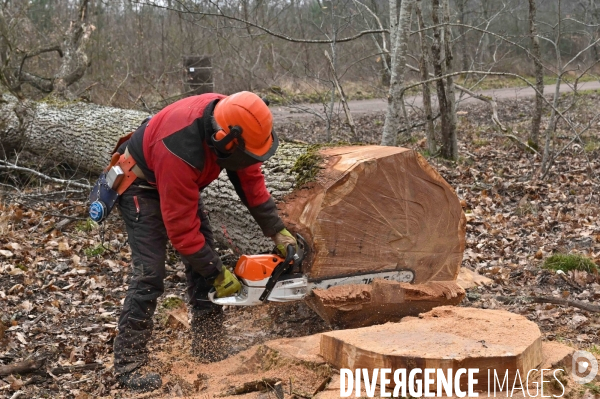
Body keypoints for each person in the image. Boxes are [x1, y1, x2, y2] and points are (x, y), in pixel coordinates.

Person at [110, 91, 297, 392]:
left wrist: (277, 231)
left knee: (203, 260)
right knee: (150, 273)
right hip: (141, 185)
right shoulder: (179, 148)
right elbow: (181, 230)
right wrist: (216, 272)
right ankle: (129, 364)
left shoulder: (237, 121)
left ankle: (209, 348)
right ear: (224, 141)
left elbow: (251, 182)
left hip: (180, 182)